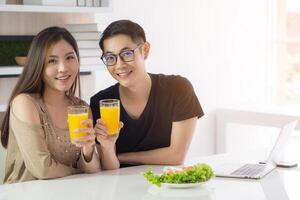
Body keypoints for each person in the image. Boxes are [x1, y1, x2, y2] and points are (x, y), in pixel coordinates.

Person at [0, 27, 117, 184]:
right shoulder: (25, 103)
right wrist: (80, 172)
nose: (63, 68)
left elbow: (93, 171)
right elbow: (42, 169)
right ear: (38, 65)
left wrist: (88, 149)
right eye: (52, 60)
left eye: (69, 58)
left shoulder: (81, 108)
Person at [90, 20, 204, 167]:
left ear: (145, 50)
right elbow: (106, 165)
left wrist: (118, 156)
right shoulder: (101, 102)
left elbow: (176, 156)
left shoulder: (178, 89)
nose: (119, 65)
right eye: (111, 58)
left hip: (167, 185)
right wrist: (108, 150)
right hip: (118, 186)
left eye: (127, 53)